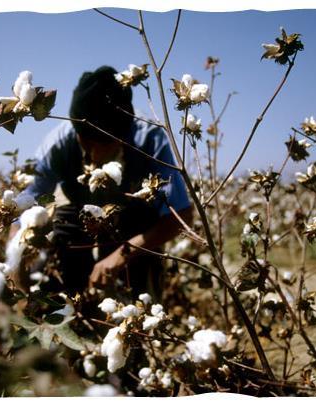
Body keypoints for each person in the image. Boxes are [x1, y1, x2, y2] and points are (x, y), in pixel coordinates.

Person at [18, 65, 192, 297]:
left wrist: (121, 256)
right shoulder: (59, 143)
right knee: (59, 232)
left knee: (138, 288)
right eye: (86, 142)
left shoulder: (149, 140)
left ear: (121, 136)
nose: (93, 156)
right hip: (78, 217)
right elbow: (23, 206)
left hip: (135, 227)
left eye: (102, 145)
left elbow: (179, 216)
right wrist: (16, 263)